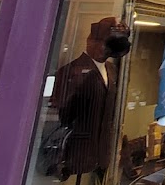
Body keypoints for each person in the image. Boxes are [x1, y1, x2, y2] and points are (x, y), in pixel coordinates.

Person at [51, 17, 130, 176]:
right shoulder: (72, 71)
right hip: (77, 154)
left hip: (102, 154)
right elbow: (62, 116)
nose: (106, 49)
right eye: (105, 42)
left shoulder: (113, 71)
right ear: (91, 40)